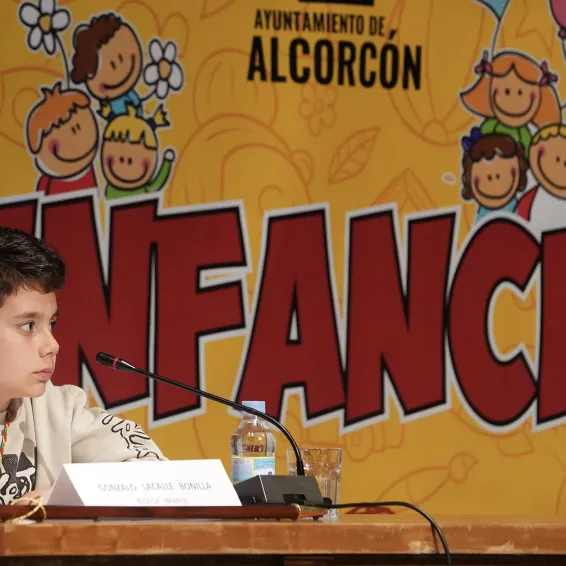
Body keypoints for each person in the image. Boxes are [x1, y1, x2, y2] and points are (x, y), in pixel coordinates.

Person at [0, 227, 166, 505]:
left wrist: (68, 495)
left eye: (51, 324)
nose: (52, 345)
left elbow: (155, 471)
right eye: (28, 325)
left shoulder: (60, 411)